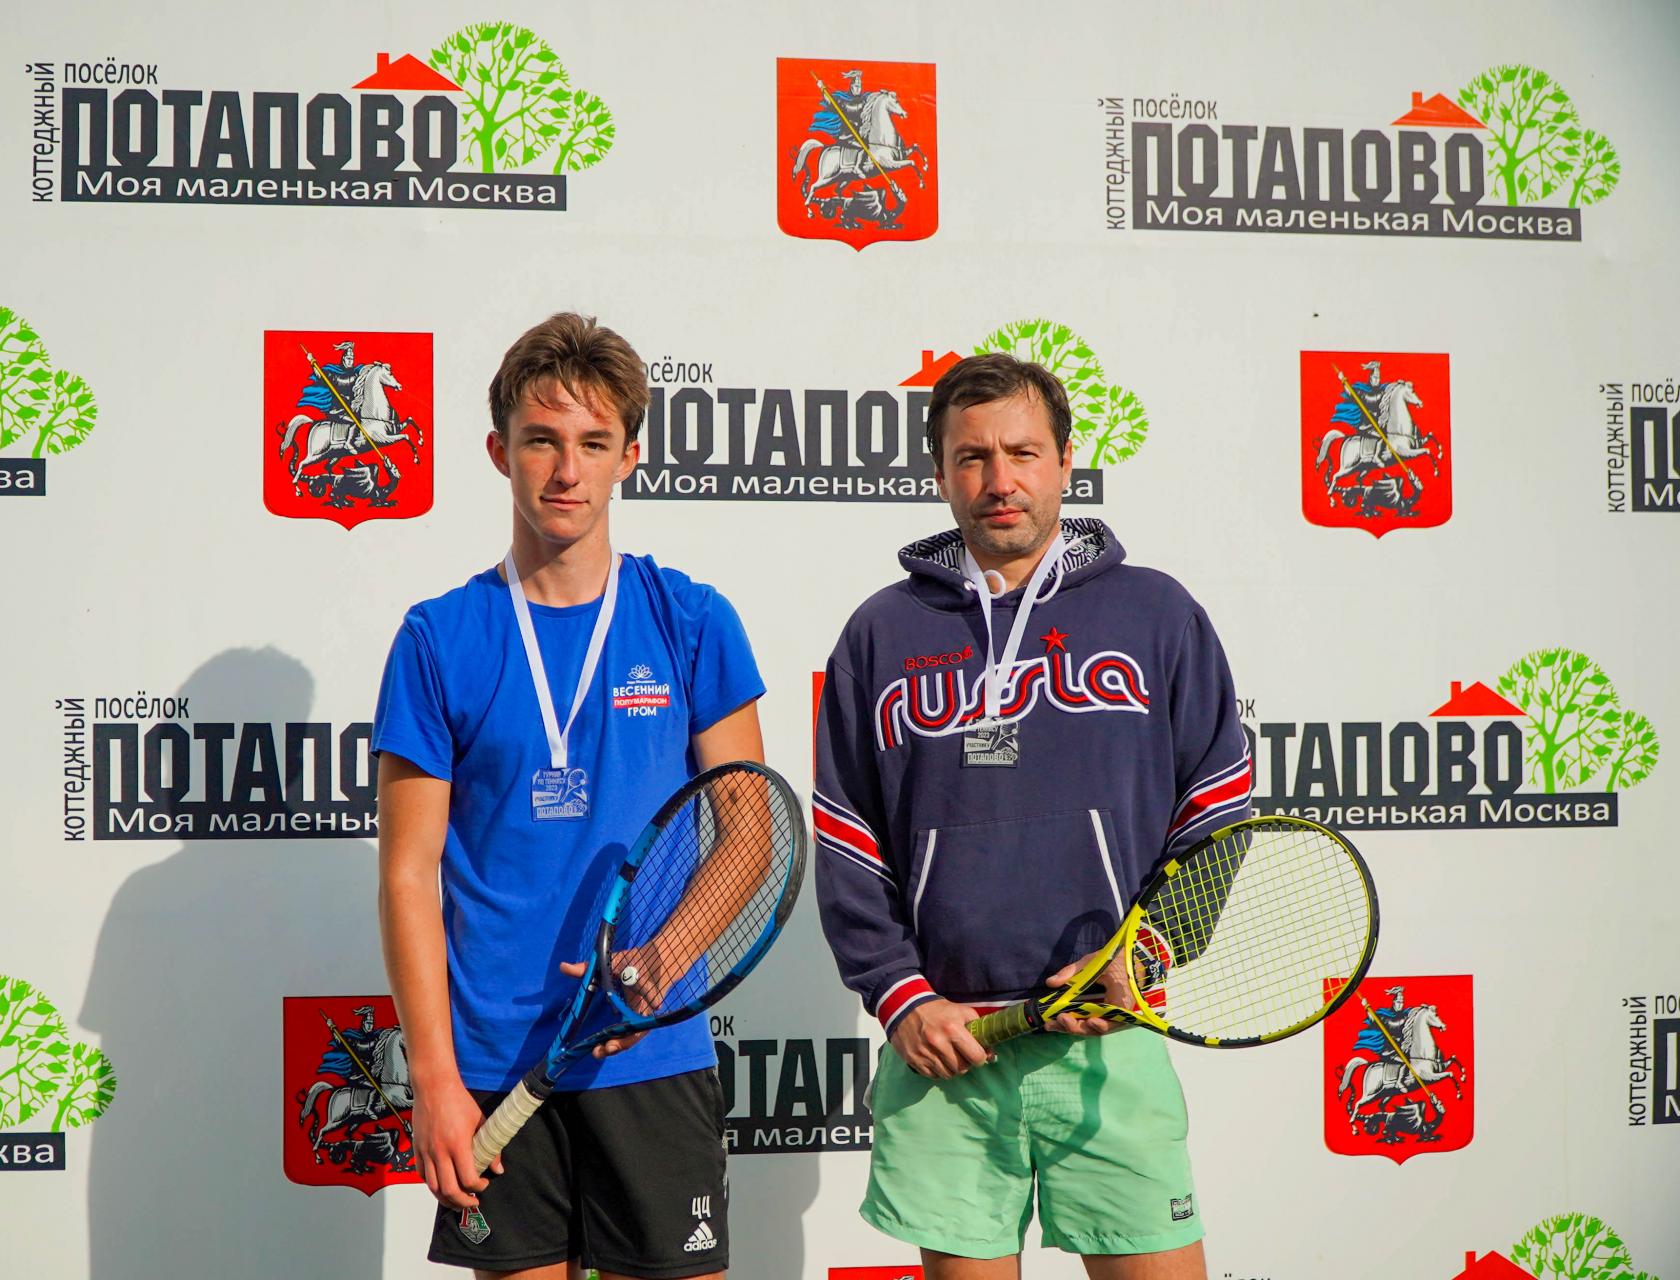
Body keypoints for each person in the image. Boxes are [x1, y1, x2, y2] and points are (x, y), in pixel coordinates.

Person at [812, 352, 1252, 1279]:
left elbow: (1217, 806)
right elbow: (846, 834)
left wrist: (1146, 953)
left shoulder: (1156, 612)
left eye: (1022, 453)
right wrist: (899, 996)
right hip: (951, 1050)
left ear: (1065, 462)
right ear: (940, 474)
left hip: (1107, 1037)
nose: (999, 480)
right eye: (971, 457)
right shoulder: (881, 632)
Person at [374, 312, 765, 1280]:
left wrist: (663, 958)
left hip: (651, 1056)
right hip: (495, 1064)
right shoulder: (438, 638)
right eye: (542, 440)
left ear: (629, 456)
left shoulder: (691, 619)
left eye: (594, 443)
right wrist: (435, 1081)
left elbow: (750, 830)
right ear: (498, 451)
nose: (565, 470)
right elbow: (408, 874)